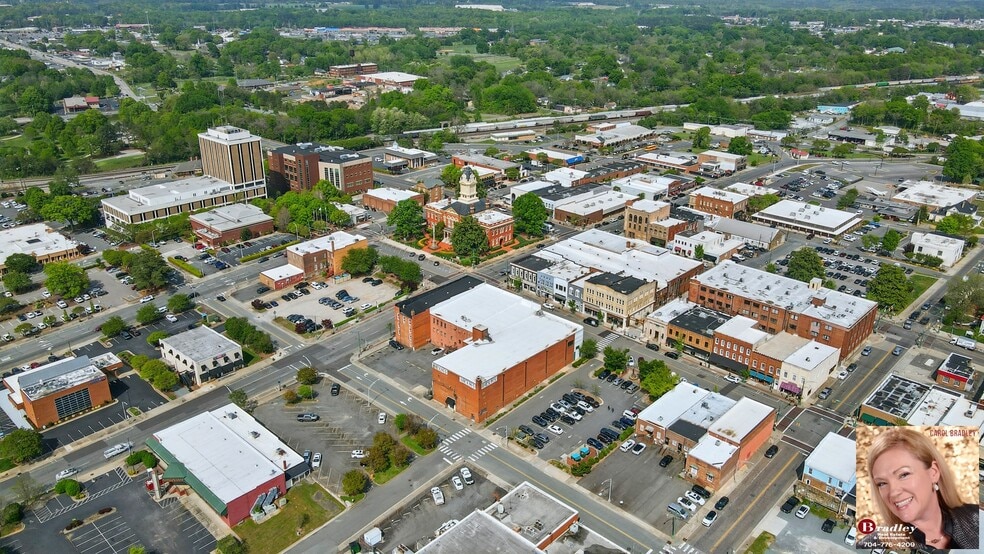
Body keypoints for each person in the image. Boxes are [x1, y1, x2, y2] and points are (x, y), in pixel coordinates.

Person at [857, 427, 978, 552]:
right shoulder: (872, 545)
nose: (893, 492)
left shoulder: (976, 518)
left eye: (903, 475)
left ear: (933, 473)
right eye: (882, 483)